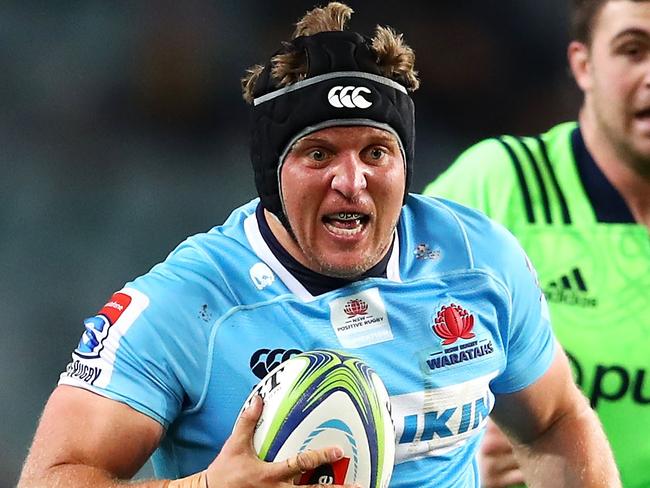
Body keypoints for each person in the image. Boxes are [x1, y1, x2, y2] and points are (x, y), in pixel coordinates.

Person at [18, 3, 620, 487]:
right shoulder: (186, 306)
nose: (351, 180)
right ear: (272, 177)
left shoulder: (479, 261)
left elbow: (555, 420)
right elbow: (50, 477)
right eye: (319, 154)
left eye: (375, 152)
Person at [423, 0, 650, 487]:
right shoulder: (500, 187)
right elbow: (371, 330)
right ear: (583, 65)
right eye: (634, 49)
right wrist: (451, 457)